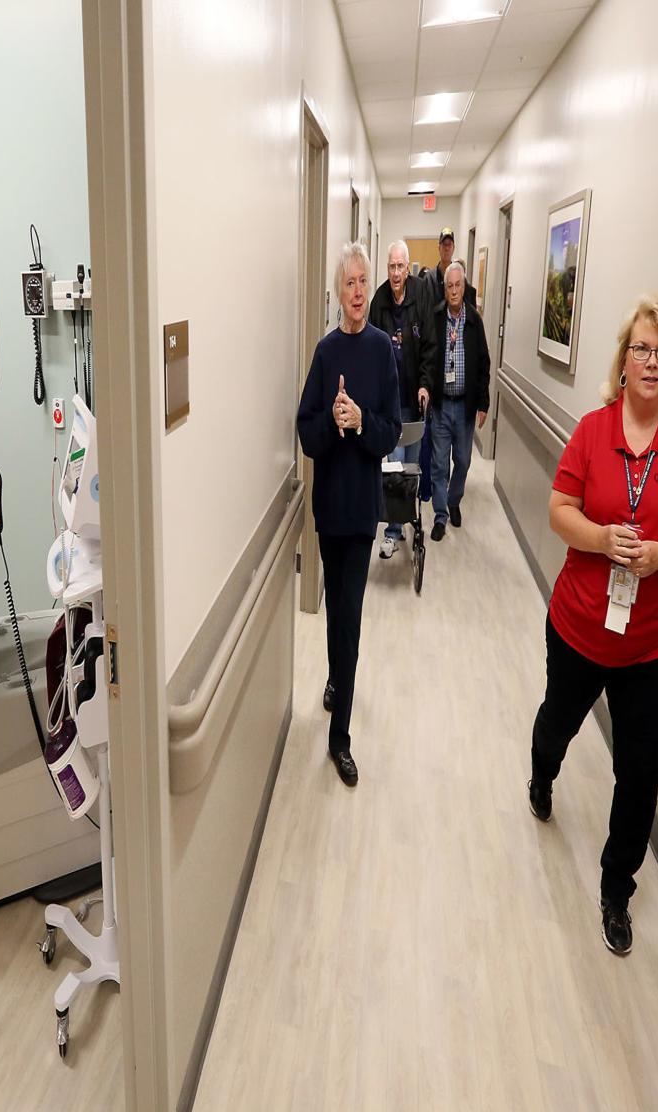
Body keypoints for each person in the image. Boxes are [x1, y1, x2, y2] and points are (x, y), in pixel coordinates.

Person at [527, 295, 658, 955]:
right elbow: (560, 509)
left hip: (649, 647)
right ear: (624, 360)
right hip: (579, 626)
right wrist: (603, 539)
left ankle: (616, 890)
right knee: (557, 722)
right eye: (641, 349)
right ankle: (542, 772)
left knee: (640, 773)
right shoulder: (593, 430)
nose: (651, 361)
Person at [296, 242, 401, 786]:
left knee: (351, 619)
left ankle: (340, 738)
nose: (358, 292)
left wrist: (360, 422)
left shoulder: (382, 350)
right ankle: (337, 678)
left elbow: (391, 433)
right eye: (350, 283)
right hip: (329, 508)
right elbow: (306, 432)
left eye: (364, 281)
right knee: (335, 608)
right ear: (338, 292)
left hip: (361, 511)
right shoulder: (325, 352)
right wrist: (332, 421)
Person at [368, 240, 437, 558]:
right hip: (390, 402)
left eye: (400, 267)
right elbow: (371, 348)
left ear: (408, 268)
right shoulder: (379, 300)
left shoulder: (421, 294)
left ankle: (410, 517)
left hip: (413, 397)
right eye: (391, 267)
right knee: (394, 466)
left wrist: (425, 385)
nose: (395, 273)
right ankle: (393, 531)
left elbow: (430, 346)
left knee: (411, 465)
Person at [419, 261, 490, 541]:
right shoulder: (436, 317)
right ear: (445, 289)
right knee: (438, 464)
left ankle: (454, 499)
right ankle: (440, 515)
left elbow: (483, 364)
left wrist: (483, 403)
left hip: (464, 406)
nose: (454, 291)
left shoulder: (474, 321)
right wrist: (425, 387)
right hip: (441, 404)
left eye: (458, 285)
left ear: (464, 287)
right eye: (449, 286)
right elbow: (426, 357)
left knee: (462, 460)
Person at [422, 228, 476, 308]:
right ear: (439, 248)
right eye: (444, 244)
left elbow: (468, 307)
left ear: (453, 248)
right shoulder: (429, 279)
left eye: (449, 245)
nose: (446, 248)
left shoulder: (460, 278)